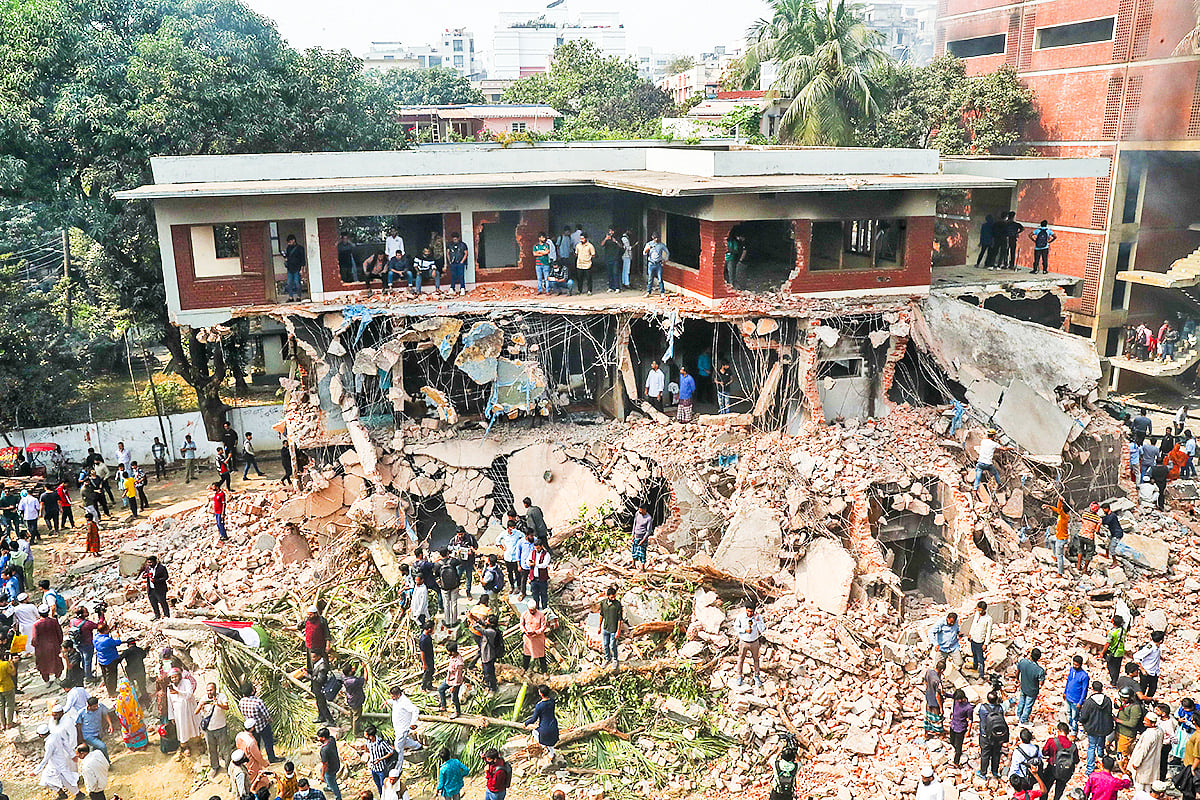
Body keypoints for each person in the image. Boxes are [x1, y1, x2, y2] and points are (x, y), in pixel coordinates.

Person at [34, 715, 78, 796]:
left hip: (57, 764)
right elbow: (66, 744)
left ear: (41, 735)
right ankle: (61, 793)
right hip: (57, 762)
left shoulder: (49, 743)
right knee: (47, 779)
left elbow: (46, 758)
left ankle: (77, 794)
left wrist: (36, 771)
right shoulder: (56, 735)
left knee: (65, 779)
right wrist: (72, 755)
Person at [1079, 681, 1115, 775]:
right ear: (1102, 689)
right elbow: (1109, 713)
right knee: (1101, 744)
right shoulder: (1107, 700)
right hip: (1104, 728)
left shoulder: (1089, 702)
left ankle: (1090, 769)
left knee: (1091, 747)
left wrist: (1081, 721)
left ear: (1092, 689)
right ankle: (1101, 759)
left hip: (1092, 728)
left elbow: (1084, 716)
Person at [239, 682, 280, 763]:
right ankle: (271, 758)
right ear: (252, 691)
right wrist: (270, 719)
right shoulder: (258, 702)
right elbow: (266, 715)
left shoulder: (241, 702)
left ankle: (257, 760)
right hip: (262, 726)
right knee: (268, 742)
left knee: (256, 744)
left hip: (252, 729)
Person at [198, 681, 230, 778]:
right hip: (209, 730)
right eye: (208, 690)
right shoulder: (204, 698)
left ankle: (228, 767)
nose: (209, 692)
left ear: (215, 690)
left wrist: (218, 704)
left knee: (225, 749)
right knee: (211, 750)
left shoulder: (222, 697)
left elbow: (226, 707)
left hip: (221, 727)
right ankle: (214, 767)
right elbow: (196, 712)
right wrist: (200, 705)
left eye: (211, 690)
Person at [1042, 722, 1079, 800]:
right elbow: (1076, 760)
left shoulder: (1052, 741)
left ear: (1058, 731)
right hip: (1065, 771)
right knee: (1059, 791)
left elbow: (1044, 752)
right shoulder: (1073, 746)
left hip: (1051, 768)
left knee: (1045, 788)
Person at [977, 689, 1009, 780]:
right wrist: (1002, 691)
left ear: (987, 699)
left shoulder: (981, 707)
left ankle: (983, 773)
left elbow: (975, 712)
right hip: (997, 736)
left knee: (985, 754)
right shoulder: (1001, 708)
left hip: (985, 735)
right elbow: (1007, 702)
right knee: (996, 754)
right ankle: (995, 771)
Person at [735, 599, 767, 688]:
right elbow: (736, 627)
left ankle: (756, 676)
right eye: (748, 611)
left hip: (754, 642)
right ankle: (739, 676)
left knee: (756, 659)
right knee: (741, 659)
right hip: (743, 642)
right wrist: (744, 630)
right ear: (746, 610)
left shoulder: (758, 617)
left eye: (751, 612)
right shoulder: (741, 617)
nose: (749, 614)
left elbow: (763, 629)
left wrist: (757, 621)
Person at [234, 719, 271, 793]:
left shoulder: (239, 735)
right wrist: (265, 763)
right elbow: (257, 756)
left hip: (243, 760)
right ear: (252, 728)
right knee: (256, 776)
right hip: (251, 762)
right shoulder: (251, 742)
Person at [1130, 712, 1164, 792]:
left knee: (1140, 785)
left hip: (1144, 763)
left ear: (1152, 723)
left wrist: (1136, 763)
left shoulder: (1150, 734)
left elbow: (1143, 750)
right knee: (1148, 785)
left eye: (1146, 720)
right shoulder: (1160, 731)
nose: (1143, 722)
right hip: (1153, 762)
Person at [76, 694, 117, 759]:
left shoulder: (100, 706)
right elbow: (78, 725)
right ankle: (108, 762)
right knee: (102, 746)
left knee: (95, 750)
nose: (96, 708)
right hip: (88, 735)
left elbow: (105, 714)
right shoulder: (82, 713)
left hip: (99, 732)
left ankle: (95, 762)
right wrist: (80, 739)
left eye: (97, 705)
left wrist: (110, 725)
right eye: (94, 706)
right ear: (89, 706)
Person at [1010, 727, 1046, 798]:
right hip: (1033, 776)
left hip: (1022, 778)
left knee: (1022, 793)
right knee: (1029, 793)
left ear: (1021, 739)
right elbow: (1040, 758)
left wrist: (1011, 778)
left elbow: (1014, 767)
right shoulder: (1037, 748)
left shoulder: (1018, 751)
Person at [31, 605, 63, 684]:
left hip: (42, 648)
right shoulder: (54, 621)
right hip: (54, 645)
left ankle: (46, 681)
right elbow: (59, 633)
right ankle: (57, 677)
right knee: (57, 662)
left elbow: (35, 638)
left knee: (43, 664)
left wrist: (34, 645)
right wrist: (59, 642)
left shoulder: (36, 625)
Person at [1116, 685, 1146, 767]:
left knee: (1122, 755)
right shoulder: (1125, 703)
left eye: (1124, 698)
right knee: (1120, 751)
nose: (1122, 699)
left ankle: (1125, 771)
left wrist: (1118, 720)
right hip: (1119, 732)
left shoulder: (1135, 708)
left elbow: (1133, 723)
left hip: (1127, 735)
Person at [526, 685, 560, 755]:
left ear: (541, 693)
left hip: (545, 730)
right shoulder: (552, 702)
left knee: (534, 732)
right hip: (554, 727)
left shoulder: (539, 706)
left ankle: (544, 746)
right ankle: (551, 754)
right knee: (551, 743)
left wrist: (526, 723)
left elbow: (533, 719)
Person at [387, 685, 421, 754]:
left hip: (403, 727)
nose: (392, 698)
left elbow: (415, 710)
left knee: (398, 747)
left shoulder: (405, 702)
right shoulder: (396, 700)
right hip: (397, 727)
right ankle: (417, 746)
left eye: (393, 696)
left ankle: (399, 763)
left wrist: (413, 723)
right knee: (404, 741)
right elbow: (393, 702)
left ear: (398, 695)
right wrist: (387, 702)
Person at [1017, 647, 1047, 726]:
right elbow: (1041, 683)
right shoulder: (1039, 670)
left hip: (1023, 686)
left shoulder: (1023, 662)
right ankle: (1023, 721)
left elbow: (1017, 671)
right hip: (1032, 690)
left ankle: (1018, 715)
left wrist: (1017, 679)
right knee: (1028, 705)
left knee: (1021, 701)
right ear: (1039, 658)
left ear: (1030, 655)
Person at [364, 725, 397, 795]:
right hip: (373, 768)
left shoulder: (381, 743)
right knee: (378, 785)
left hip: (381, 769)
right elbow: (367, 749)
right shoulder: (368, 742)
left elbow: (391, 751)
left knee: (384, 786)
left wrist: (381, 759)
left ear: (371, 736)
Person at [94, 623, 123, 697]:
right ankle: (112, 692)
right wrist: (118, 636)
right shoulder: (107, 640)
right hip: (110, 660)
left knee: (105, 675)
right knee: (112, 677)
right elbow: (117, 643)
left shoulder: (96, 637)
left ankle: (109, 690)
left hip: (101, 659)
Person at [1065, 655, 1090, 737]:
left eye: (1076, 665)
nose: (1074, 666)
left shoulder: (1084, 676)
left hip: (1076, 700)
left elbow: (1084, 690)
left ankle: (1074, 731)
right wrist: (1065, 691)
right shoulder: (1072, 670)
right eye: (1074, 664)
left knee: (1074, 716)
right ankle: (1069, 726)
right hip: (1069, 697)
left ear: (1080, 665)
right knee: (1068, 713)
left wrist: (1081, 701)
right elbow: (1069, 681)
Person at [437, 641, 465, 717]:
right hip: (449, 679)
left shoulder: (459, 663)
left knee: (454, 698)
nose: (447, 652)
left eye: (448, 651)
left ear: (452, 652)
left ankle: (457, 712)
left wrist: (454, 687)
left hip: (455, 682)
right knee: (441, 689)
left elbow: (458, 676)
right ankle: (443, 706)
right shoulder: (453, 657)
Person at [1133, 631, 1164, 698]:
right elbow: (1136, 656)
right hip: (1147, 672)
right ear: (1161, 640)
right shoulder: (1150, 648)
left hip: (1155, 672)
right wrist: (1142, 669)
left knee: (1152, 689)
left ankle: (1147, 702)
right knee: (1142, 689)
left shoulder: (1157, 647)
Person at [948, 688, 974, 767]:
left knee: (958, 746)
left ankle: (956, 762)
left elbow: (970, 720)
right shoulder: (956, 699)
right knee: (952, 741)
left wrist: (968, 731)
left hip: (961, 728)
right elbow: (950, 696)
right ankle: (957, 751)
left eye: (958, 700)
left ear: (962, 698)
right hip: (953, 724)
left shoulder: (968, 707)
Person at [521, 600, 549, 673]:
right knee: (527, 654)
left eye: (533, 610)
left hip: (538, 638)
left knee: (541, 655)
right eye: (531, 610)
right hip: (528, 638)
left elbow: (543, 627)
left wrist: (536, 632)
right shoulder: (524, 614)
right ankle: (524, 669)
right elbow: (521, 625)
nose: (532, 612)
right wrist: (525, 631)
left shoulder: (541, 615)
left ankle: (544, 671)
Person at [315, 727, 343, 800]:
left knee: (332, 782)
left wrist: (322, 776)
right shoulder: (331, 739)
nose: (318, 739)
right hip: (336, 764)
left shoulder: (324, 750)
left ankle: (338, 797)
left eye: (319, 737)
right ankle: (329, 786)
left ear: (323, 738)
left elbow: (325, 764)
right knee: (322, 771)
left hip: (330, 768)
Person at [599, 585, 623, 666]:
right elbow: (601, 615)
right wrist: (599, 626)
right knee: (606, 645)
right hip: (605, 628)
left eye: (615, 597)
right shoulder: (603, 603)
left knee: (613, 645)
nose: (614, 598)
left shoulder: (617, 604)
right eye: (612, 597)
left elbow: (620, 619)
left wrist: (618, 631)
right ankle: (607, 659)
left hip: (614, 629)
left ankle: (615, 659)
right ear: (607, 596)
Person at [969, 600, 993, 681]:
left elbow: (988, 632)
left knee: (980, 659)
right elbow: (973, 624)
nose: (979, 611)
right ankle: (974, 666)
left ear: (984, 610)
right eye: (978, 609)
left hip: (980, 641)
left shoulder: (988, 619)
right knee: (974, 654)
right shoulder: (976, 614)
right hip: (973, 638)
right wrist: (970, 634)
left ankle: (981, 675)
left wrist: (986, 643)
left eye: (981, 610)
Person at [924, 659, 946, 736]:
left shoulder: (929, 671)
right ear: (942, 670)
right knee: (938, 718)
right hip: (935, 702)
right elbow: (937, 695)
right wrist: (941, 708)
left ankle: (926, 733)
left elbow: (925, 682)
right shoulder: (937, 680)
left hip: (928, 697)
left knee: (928, 716)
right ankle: (939, 732)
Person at [480, 615, 501, 692]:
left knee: (489, 672)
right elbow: (482, 623)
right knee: (487, 671)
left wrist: (471, 621)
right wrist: (472, 617)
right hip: (485, 654)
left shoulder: (491, 632)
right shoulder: (490, 628)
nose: (486, 622)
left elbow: (480, 630)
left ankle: (493, 687)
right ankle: (489, 685)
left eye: (487, 620)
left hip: (488, 655)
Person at [282, 233, 306, 301]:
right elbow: (287, 256)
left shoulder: (300, 248)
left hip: (297, 268)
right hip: (290, 268)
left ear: (293, 240)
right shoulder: (288, 248)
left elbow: (302, 260)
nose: (289, 243)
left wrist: (302, 269)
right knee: (289, 283)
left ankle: (299, 297)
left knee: (297, 283)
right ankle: (291, 297)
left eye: (290, 242)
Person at [528, 540, 551, 610]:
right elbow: (528, 560)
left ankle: (545, 609)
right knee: (535, 595)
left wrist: (535, 565)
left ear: (541, 546)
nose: (536, 550)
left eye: (538, 548)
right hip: (533, 578)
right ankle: (536, 608)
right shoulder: (532, 553)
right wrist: (529, 563)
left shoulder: (546, 554)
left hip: (542, 579)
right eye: (535, 548)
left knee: (544, 595)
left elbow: (544, 565)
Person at [601, 228, 622, 292]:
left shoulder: (617, 238)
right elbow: (602, 244)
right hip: (608, 258)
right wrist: (606, 239)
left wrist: (615, 241)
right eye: (610, 231)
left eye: (612, 231)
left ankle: (617, 287)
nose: (611, 232)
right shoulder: (606, 237)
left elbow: (621, 246)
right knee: (609, 273)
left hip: (615, 258)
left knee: (615, 273)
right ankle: (611, 287)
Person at [0, 652, 14, 729]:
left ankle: (2, 724)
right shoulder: (5, 664)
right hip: (7, 687)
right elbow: (13, 673)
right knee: (9, 705)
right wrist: (11, 663)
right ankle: (9, 723)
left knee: (1, 706)